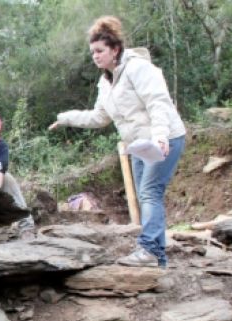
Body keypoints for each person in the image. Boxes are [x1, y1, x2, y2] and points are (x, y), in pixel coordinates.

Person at [48, 16, 185, 268]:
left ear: (115, 49)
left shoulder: (138, 68)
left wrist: (160, 135)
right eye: (92, 52)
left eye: (100, 51)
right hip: (139, 146)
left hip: (165, 138)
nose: (95, 56)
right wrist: (65, 118)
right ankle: (156, 257)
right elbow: (100, 117)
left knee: (149, 193)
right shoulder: (105, 82)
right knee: (147, 196)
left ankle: (149, 251)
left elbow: (158, 102)